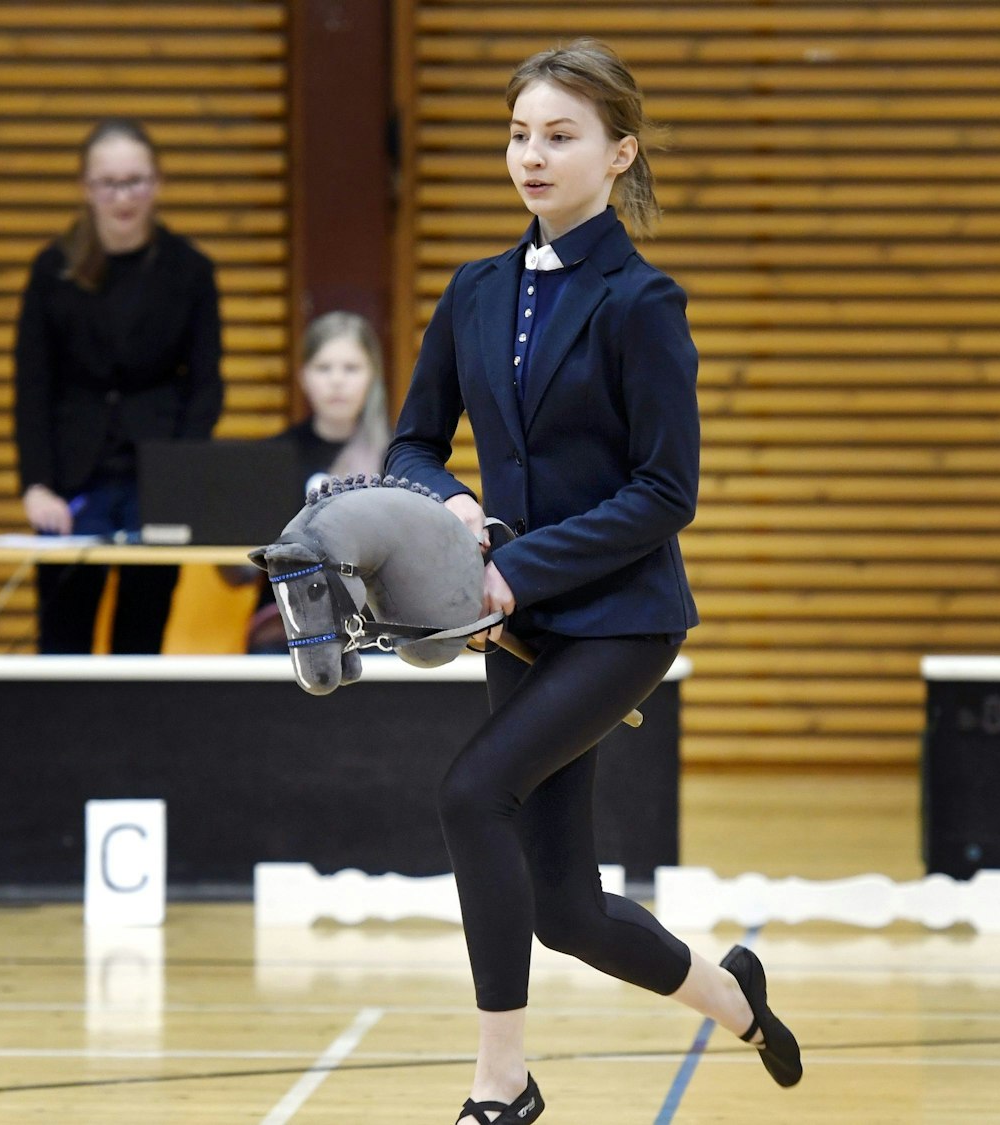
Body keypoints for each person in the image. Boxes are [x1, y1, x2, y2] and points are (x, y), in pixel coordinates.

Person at [383, 39, 802, 1123]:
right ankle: (737, 1003)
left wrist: (512, 571)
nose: (532, 155)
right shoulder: (472, 291)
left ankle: (500, 1086)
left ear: (618, 153)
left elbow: (667, 491)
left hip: (619, 621)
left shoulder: (641, 302)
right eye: (519, 134)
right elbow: (413, 446)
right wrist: (451, 504)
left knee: (470, 792)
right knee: (563, 908)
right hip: (517, 627)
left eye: (559, 136)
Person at [12, 118, 223, 654]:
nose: (123, 196)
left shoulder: (189, 269)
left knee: (142, 635)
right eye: (109, 183)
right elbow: (33, 386)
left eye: (135, 181)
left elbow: (205, 388)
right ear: (87, 188)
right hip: (70, 479)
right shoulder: (52, 268)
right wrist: (36, 485)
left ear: (157, 184)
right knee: (62, 638)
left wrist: (182, 478)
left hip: (156, 479)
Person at [239, 311, 389, 654]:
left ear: (372, 377)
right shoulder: (271, 457)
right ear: (304, 376)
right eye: (324, 368)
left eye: (351, 368)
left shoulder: (395, 459)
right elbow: (238, 573)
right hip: (283, 626)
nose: (337, 381)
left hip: (373, 629)